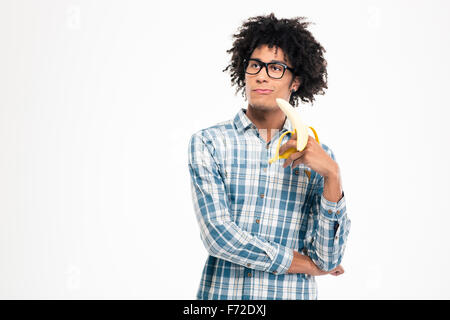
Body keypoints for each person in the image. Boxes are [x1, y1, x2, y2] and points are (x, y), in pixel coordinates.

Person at [187, 13, 351, 300]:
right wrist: (305, 265)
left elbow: (329, 256)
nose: (261, 75)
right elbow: (219, 237)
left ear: (296, 81)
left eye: (275, 67)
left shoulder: (318, 157)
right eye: (254, 65)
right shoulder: (209, 143)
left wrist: (332, 176)